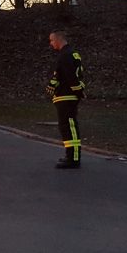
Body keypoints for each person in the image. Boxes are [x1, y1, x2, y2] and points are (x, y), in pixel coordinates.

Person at [47, 30, 85, 169]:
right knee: (66, 127)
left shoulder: (65, 56)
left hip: (66, 96)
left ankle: (73, 158)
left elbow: (70, 78)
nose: (51, 44)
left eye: (52, 40)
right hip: (66, 96)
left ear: (58, 39)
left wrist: (78, 92)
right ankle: (70, 155)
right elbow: (65, 75)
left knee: (69, 127)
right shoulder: (72, 54)